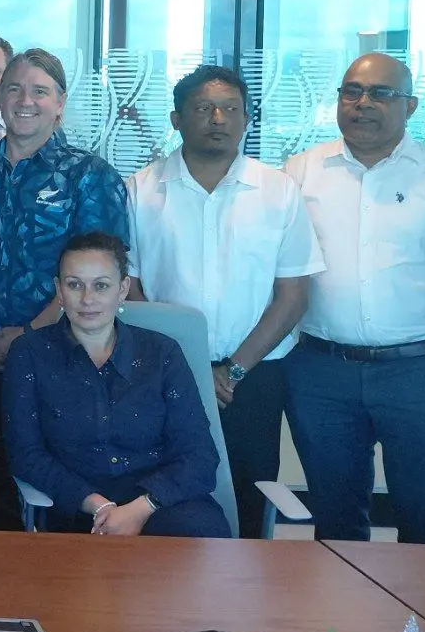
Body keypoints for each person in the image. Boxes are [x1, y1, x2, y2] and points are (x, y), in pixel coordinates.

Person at [126, 65, 323, 538]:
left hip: (253, 378)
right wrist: (186, 369)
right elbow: (128, 289)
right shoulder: (140, 190)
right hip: (164, 375)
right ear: (176, 119)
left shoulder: (278, 190)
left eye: (231, 109)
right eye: (203, 108)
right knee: (166, 496)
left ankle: (247, 586)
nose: (218, 119)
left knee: (250, 494)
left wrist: (231, 371)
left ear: (246, 119)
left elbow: (293, 296)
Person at [284, 52, 425, 545]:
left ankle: (423, 601)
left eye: (381, 93)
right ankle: (342, 600)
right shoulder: (301, 172)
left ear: (411, 106)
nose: (363, 103)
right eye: (352, 92)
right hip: (322, 372)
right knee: (335, 521)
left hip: (419, 373)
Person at [0, 47, 127, 528]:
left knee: (55, 492)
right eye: (14, 88)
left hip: (58, 358)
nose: (25, 100)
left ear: (60, 102)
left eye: (40, 91)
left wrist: (28, 334)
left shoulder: (90, 176)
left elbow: (100, 278)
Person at [2, 232, 230, 537]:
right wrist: (99, 507)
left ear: (122, 289)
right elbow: (26, 454)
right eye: (74, 285)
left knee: (198, 540)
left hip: (163, 504)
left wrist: (140, 508)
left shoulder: (162, 353)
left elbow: (199, 454)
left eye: (101, 285)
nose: (87, 299)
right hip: (78, 508)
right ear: (59, 290)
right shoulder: (29, 353)